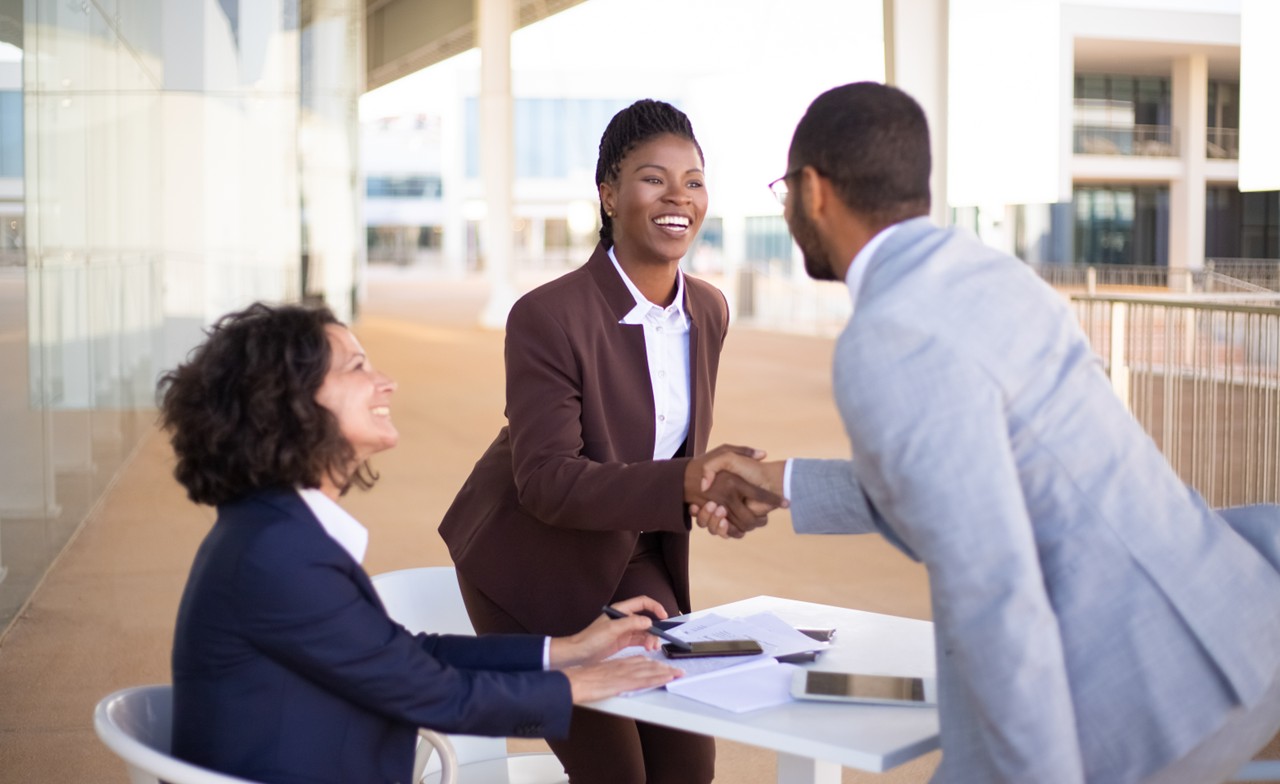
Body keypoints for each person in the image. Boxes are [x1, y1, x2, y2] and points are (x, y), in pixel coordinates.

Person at [695, 82, 1280, 784]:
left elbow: (994, 586)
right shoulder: (991, 275)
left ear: (814, 190)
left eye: (784, 190)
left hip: (1144, 697)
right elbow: (985, 477)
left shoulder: (887, 335)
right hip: (1229, 621)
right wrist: (785, 483)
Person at [158, 302, 682, 784]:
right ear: (285, 399)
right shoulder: (281, 556)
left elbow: (403, 656)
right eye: (357, 368)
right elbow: (431, 692)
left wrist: (567, 651)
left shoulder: (273, 532)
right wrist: (582, 685)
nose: (385, 383)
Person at [438, 99, 782, 784]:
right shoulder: (547, 315)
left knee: (688, 758)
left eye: (694, 180)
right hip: (529, 559)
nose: (678, 196)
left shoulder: (707, 309)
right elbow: (547, 480)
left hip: (636, 550)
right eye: (653, 179)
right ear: (608, 194)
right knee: (614, 774)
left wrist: (718, 486)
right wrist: (687, 482)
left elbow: (662, 451)